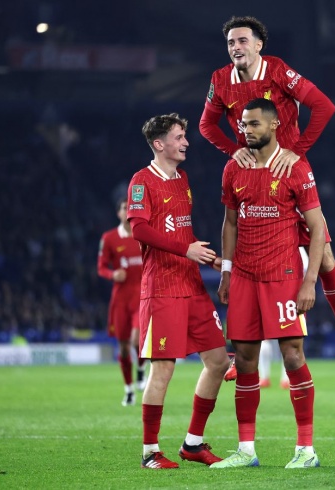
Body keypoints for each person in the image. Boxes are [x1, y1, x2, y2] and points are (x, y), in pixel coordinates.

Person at [200, 15, 335, 374]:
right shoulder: (220, 80)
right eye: (231, 42)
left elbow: (324, 106)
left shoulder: (277, 71)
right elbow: (205, 125)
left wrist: (298, 150)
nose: (236, 47)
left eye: (242, 41)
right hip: (250, 176)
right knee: (248, 255)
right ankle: (245, 352)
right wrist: (233, 150)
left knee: (325, 258)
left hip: (288, 173)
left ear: (258, 45)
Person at [211, 98, 324, 469]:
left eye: (254, 124)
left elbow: (317, 227)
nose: (246, 130)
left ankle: (305, 450)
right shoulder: (234, 168)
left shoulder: (295, 166)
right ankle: (246, 450)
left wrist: (309, 282)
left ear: (274, 125)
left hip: (284, 276)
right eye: (243, 124)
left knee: (292, 355)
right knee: (245, 361)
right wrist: (226, 272)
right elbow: (230, 223)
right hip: (244, 276)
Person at [127, 113, 229, 469]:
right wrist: (186, 250)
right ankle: (150, 452)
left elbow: (182, 233)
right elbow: (139, 230)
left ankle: (193, 444)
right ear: (159, 144)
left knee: (218, 362)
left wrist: (209, 258)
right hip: (162, 289)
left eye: (185, 136)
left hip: (192, 285)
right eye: (178, 136)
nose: (186, 142)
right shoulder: (141, 181)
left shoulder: (182, 179)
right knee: (163, 370)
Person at [97, 197, 147, 406]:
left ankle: (141, 369)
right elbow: (101, 267)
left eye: (130, 207)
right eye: (124, 208)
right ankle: (128, 390)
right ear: (118, 213)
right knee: (124, 347)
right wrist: (112, 274)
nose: (128, 210)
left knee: (137, 341)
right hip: (120, 300)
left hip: (141, 297)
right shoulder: (109, 238)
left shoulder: (143, 235)